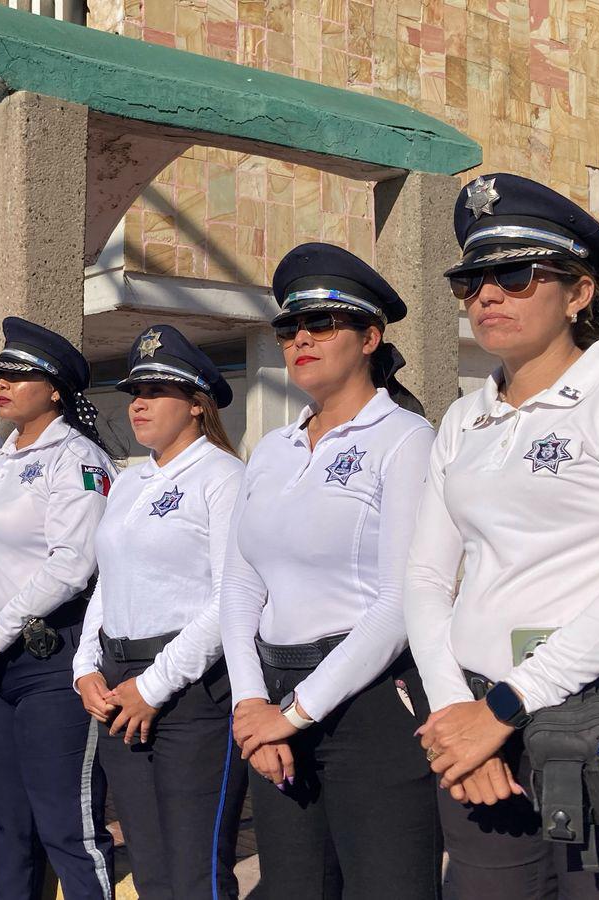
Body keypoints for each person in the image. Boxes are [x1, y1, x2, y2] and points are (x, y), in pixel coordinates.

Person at [404, 173, 599, 897]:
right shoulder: (463, 419)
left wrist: (502, 708)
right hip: (477, 728)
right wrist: (457, 714)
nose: (487, 295)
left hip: (594, 716)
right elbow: (425, 578)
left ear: (578, 292)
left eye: (515, 275)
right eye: (471, 280)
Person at [219, 244, 441, 900]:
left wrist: (293, 714)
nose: (301, 339)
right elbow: (240, 585)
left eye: (322, 323)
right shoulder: (271, 450)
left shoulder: (406, 439)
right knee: (295, 887)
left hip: (367, 702)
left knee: (389, 888)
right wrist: (251, 703)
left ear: (371, 338)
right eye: (289, 327)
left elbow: (400, 603)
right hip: (272, 696)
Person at [0, 318, 117, 900]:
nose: (3, 385)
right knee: (7, 820)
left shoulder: (78, 459)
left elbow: (73, 564)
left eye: (19, 376)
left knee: (67, 825)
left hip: (49, 658)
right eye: (0, 376)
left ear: (57, 390)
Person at [72, 325, 248, 900]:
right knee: (150, 869)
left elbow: (232, 597)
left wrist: (154, 686)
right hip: (119, 682)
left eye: (156, 391)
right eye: (134, 392)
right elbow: (109, 580)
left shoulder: (223, 477)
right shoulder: (130, 480)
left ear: (197, 403)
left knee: (196, 871)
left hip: (192, 689)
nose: (138, 403)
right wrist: (85, 666)